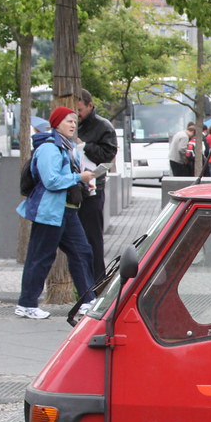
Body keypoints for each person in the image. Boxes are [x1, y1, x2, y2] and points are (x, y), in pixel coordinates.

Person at [15, 107, 97, 320]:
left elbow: (68, 177)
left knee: (82, 252)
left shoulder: (68, 147)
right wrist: (79, 179)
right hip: (49, 211)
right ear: (56, 123)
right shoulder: (49, 148)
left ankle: (88, 301)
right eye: (68, 121)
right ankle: (26, 304)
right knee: (40, 257)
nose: (72, 125)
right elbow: (50, 181)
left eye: (74, 121)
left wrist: (84, 184)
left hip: (68, 211)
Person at [75, 89, 118, 283]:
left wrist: (84, 145)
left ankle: (97, 280)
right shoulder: (74, 124)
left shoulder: (102, 126)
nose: (77, 115)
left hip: (92, 189)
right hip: (73, 187)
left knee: (92, 237)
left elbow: (108, 155)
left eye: (80, 110)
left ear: (90, 105)